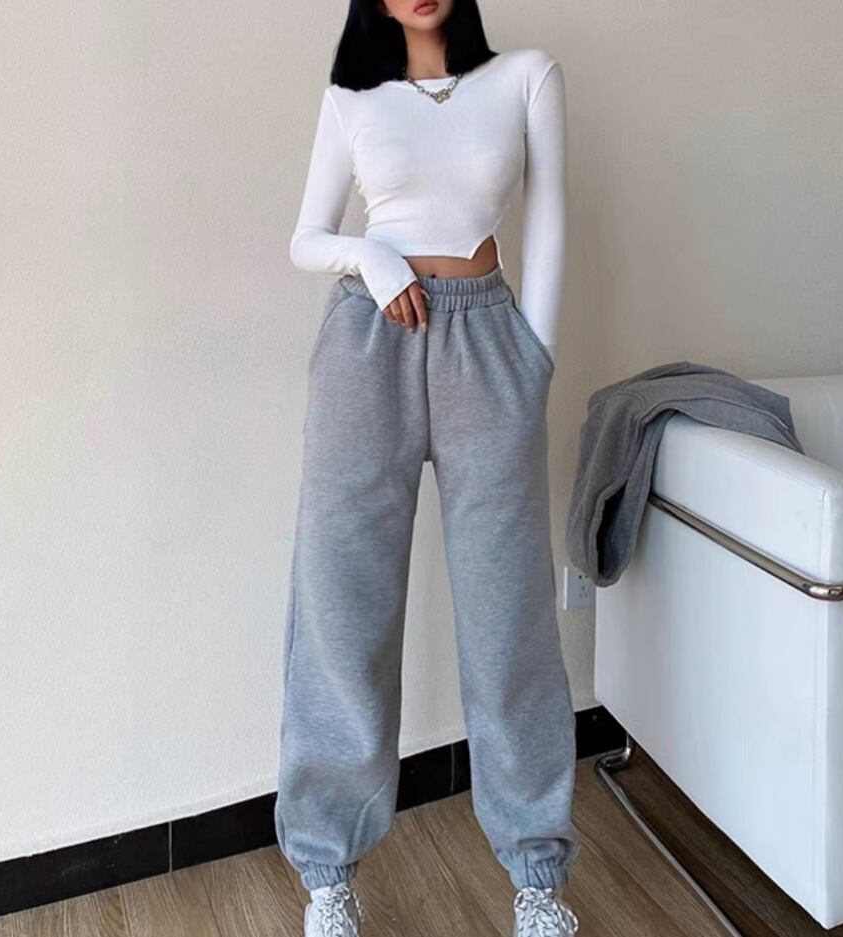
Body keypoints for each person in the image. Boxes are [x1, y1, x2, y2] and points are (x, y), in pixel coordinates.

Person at [275, 1, 580, 934]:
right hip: (367, 341)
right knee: (341, 601)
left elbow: (550, 218)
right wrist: (368, 256)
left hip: (489, 341)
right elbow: (305, 238)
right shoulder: (351, 96)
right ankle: (328, 875)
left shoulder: (524, 75)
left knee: (507, 610)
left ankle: (538, 880)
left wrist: (534, 354)